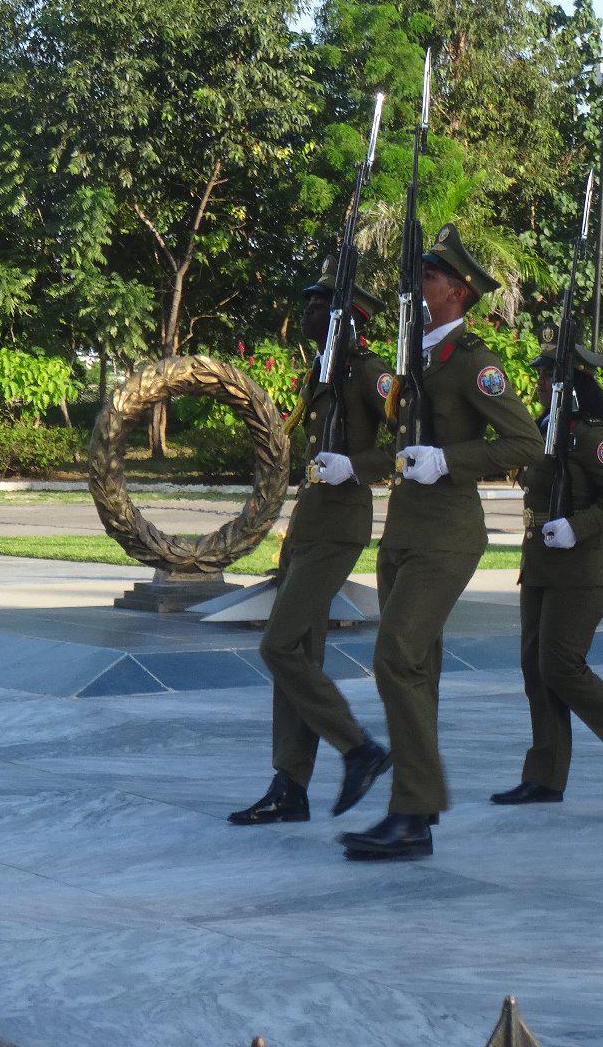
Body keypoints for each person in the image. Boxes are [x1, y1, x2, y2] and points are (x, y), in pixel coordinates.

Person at [340, 225, 543, 860]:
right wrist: (361, 464)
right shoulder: (417, 360)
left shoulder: (473, 364)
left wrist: (449, 459)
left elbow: (526, 444)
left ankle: (416, 803)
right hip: (404, 531)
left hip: (449, 535)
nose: (418, 286)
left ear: (457, 292)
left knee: (394, 658)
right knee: (415, 670)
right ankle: (414, 816)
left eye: (429, 278)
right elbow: (400, 443)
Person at [228, 270, 393, 827]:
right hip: (310, 525)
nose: (307, 312)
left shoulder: (372, 375)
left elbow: (413, 440)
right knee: (300, 656)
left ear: (346, 318)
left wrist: (360, 468)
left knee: (278, 646)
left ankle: (359, 748)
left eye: (320, 304)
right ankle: (290, 786)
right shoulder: (322, 376)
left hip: (341, 525)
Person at [492, 333, 603, 807]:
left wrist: (577, 526)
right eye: (541, 375)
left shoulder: (592, 437)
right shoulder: (546, 430)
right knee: (535, 668)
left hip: (582, 567)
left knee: (560, 664)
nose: (540, 383)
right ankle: (545, 777)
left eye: (548, 376)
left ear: (570, 383)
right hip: (541, 563)